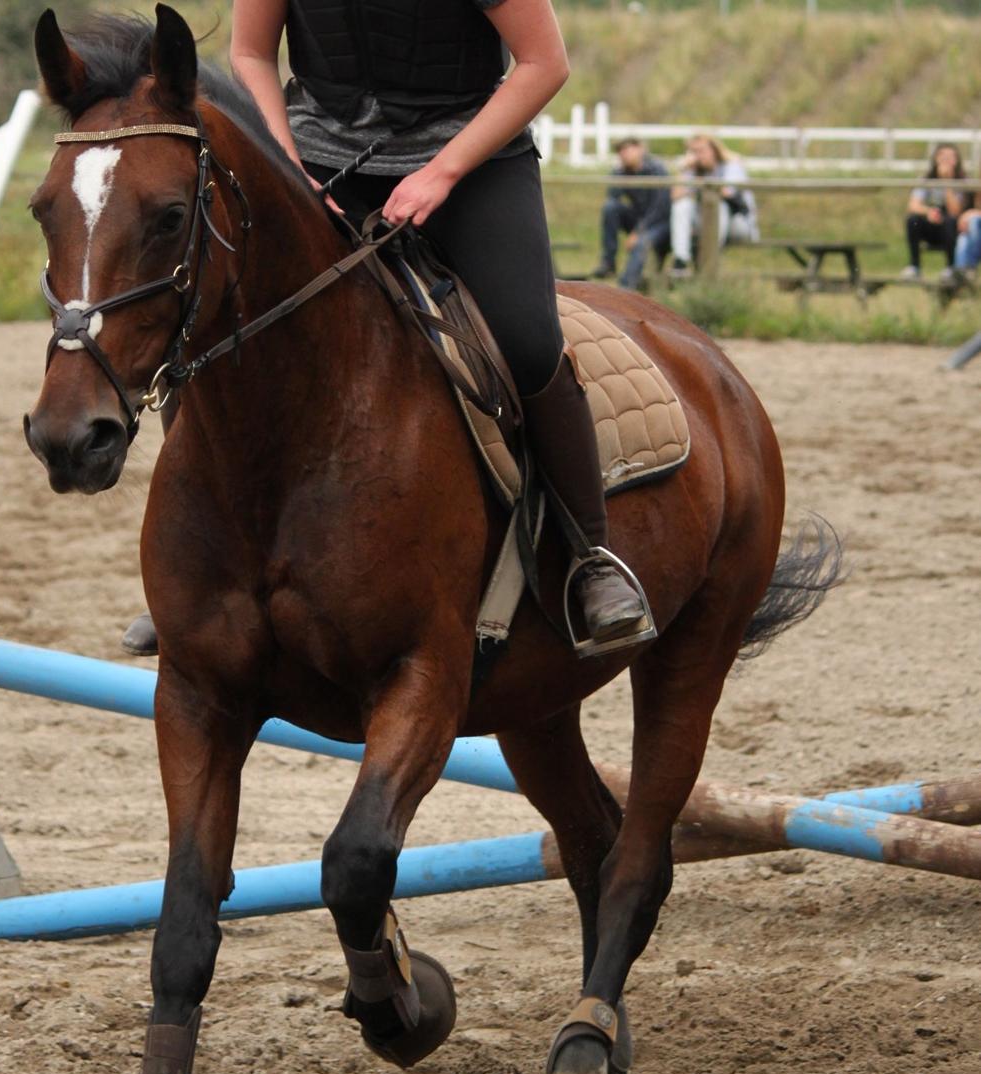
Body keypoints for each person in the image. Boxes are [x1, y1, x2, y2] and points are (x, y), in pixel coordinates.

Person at [225, 0, 648, 652]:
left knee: (527, 342)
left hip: (470, 158)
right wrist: (285, 161)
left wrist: (440, 172)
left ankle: (589, 558)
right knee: (228, 320)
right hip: (314, 159)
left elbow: (544, 63)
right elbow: (251, 53)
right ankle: (214, 565)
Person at [668, 134, 757, 278]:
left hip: (738, 222)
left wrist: (699, 182)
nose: (697, 156)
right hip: (706, 224)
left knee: (719, 206)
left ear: (714, 150)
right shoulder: (693, 169)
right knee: (682, 205)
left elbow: (727, 193)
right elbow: (675, 196)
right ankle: (681, 262)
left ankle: (708, 264)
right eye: (693, 151)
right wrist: (683, 170)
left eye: (701, 150)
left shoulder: (731, 166)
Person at [590, 137, 670, 291]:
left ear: (640, 149)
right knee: (610, 207)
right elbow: (613, 196)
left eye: (627, 149)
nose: (623, 154)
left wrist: (638, 232)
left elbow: (660, 208)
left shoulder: (656, 169)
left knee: (640, 243)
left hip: (660, 222)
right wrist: (618, 174)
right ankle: (608, 263)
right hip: (638, 218)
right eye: (620, 151)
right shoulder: (622, 171)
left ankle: (625, 287)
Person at [903, 144, 971, 279]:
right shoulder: (926, 179)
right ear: (935, 159)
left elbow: (955, 211)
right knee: (912, 220)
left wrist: (947, 182)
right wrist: (928, 212)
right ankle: (914, 267)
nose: (946, 160)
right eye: (943, 156)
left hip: (954, 229)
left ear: (957, 160)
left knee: (950, 221)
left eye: (950, 157)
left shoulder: (963, 181)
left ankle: (951, 268)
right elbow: (913, 205)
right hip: (931, 223)